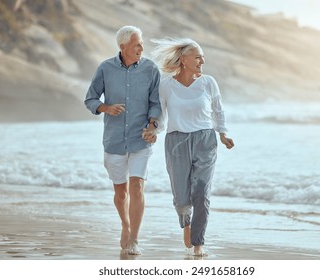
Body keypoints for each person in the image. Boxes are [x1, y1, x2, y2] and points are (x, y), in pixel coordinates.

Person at [151, 38, 234, 256]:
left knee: (201, 192)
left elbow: (218, 110)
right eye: (197, 56)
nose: (202, 61)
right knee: (181, 196)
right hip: (176, 141)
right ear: (184, 59)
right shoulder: (166, 85)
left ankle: (198, 243)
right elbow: (160, 114)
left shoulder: (208, 82)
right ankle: (185, 222)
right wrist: (153, 129)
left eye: (203, 57)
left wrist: (223, 134)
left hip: (205, 140)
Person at [84, 25, 161, 255]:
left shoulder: (150, 69)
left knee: (137, 187)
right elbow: (90, 98)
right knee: (121, 192)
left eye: (142, 44)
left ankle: (135, 239)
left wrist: (152, 125)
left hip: (141, 139)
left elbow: (156, 103)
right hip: (114, 140)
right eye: (137, 44)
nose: (141, 48)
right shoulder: (105, 68)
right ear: (123, 46)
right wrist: (106, 107)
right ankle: (125, 226)